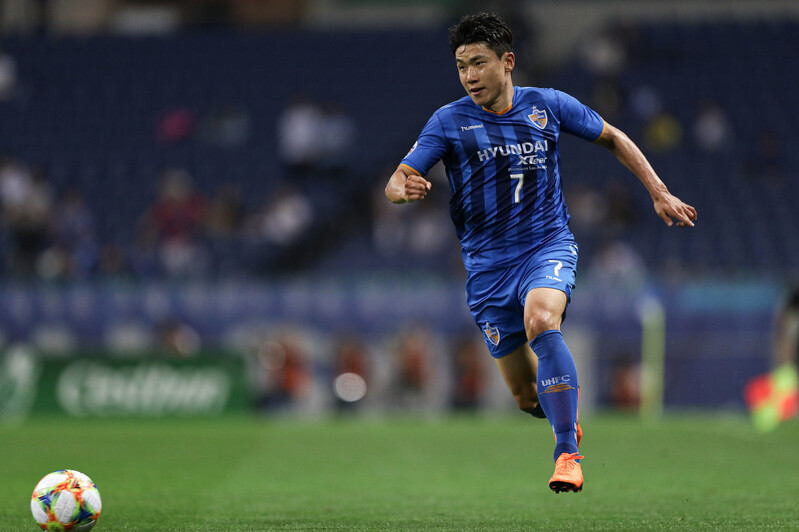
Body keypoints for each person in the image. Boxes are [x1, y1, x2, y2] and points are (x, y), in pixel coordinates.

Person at [384, 13, 697, 493]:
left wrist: (658, 191)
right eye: (462, 66)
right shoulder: (448, 121)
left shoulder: (547, 105)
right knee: (526, 396)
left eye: (479, 63)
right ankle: (562, 415)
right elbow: (396, 180)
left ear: (507, 62)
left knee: (541, 320)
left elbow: (613, 136)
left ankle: (567, 453)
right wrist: (402, 191)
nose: (469, 76)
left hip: (545, 245)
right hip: (487, 269)